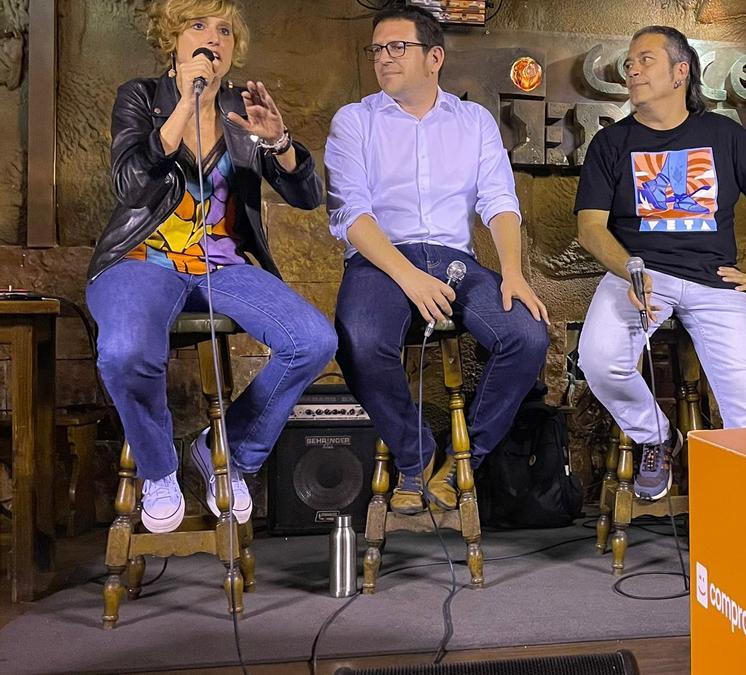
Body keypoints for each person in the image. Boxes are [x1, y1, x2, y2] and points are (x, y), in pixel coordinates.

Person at [86, 0, 336, 533]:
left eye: (224, 30)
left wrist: (280, 141)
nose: (213, 38)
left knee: (313, 340)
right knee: (126, 351)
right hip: (140, 258)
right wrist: (183, 105)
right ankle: (158, 470)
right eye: (198, 26)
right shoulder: (139, 96)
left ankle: (226, 450)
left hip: (221, 266)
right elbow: (130, 184)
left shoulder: (239, 112)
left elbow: (310, 196)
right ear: (172, 39)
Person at [325, 5, 550, 515]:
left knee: (527, 335)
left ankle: (462, 461)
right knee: (358, 341)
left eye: (397, 47)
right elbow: (350, 213)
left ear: (434, 58)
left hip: (456, 260)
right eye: (377, 49)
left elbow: (499, 201)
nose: (384, 58)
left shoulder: (474, 122)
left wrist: (512, 272)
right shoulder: (355, 120)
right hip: (380, 260)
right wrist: (409, 278)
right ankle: (415, 454)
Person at [574, 26, 746, 501]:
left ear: (681, 72)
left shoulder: (722, 134)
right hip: (638, 275)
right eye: (629, 61)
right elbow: (591, 228)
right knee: (599, 361)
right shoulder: (611, 143)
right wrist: (630, 270)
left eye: (646, 59)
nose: (632, 69)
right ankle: (656, 436)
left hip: (714, 282)